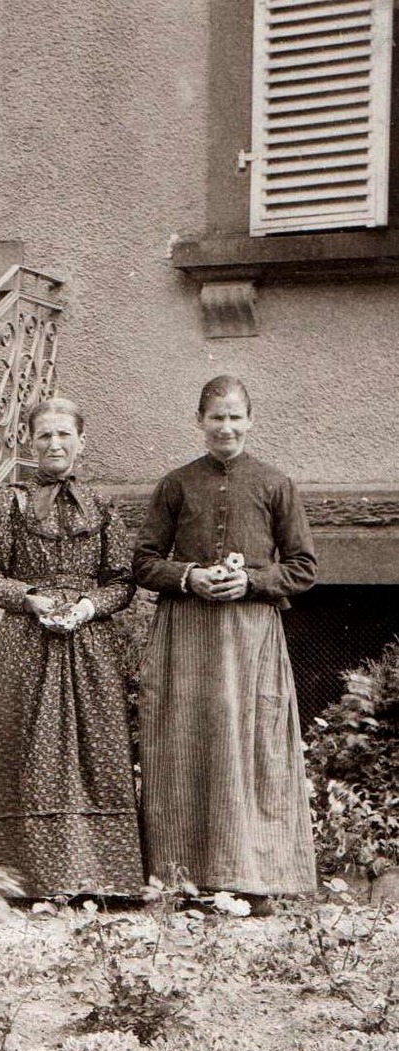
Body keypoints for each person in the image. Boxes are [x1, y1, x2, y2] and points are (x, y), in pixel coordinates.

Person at [133, 375, 317, 916]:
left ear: (250, 421)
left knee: (248, 745)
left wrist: (253, 582)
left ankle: (254, 878)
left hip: (250, 637)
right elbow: (143, 561)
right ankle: (180, 880)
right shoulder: (175, 484)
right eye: (217, 417)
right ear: (200, 422)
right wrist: (189, 576)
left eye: (236, 417)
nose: (227, 427)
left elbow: (303, 567)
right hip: (186, 634)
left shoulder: (275, 483)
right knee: (186, 744)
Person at [0, 398, 144, 900]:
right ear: (30, 441)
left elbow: (122, 580)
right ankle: (33, 880)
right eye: (45, 435)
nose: (55, 445)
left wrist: (89, 606)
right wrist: (31, 599)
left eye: (65, 435)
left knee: (96, 748)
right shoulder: (10, 503)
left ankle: (105, 880)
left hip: (89, 644)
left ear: (81, 442)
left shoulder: (102, 507)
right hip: (28, 641)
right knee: (30, 748)